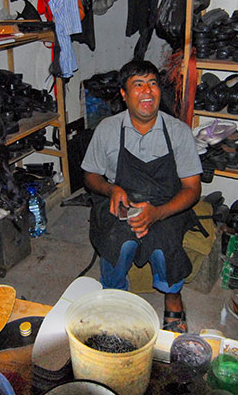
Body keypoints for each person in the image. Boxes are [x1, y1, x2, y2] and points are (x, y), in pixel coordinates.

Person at [81, 60, 201, 333]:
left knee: (164, 243)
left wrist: (157, 213)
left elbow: (193, 189)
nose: (147, 91)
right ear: (124, 94)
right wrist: (111, 189)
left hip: (166, 202)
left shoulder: (178, 132)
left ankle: (173, 299)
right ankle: (115, 297)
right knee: (118, 241)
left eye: (152, 84)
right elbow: (90, 176)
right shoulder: (108, 129)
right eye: (138, 85)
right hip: (121, 199)